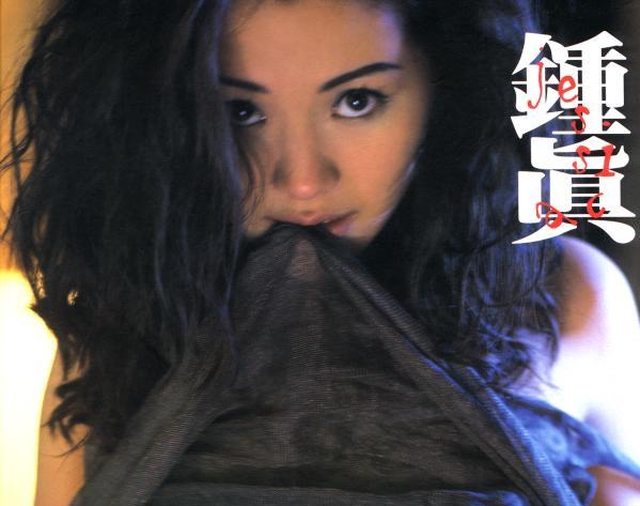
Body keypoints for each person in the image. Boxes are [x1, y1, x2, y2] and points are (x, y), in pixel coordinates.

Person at [3, 0, 640, 504]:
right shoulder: (121, 318)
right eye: (241, 112)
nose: (303, 181)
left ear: (447, 85)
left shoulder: (563, 292)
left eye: (357, 101)